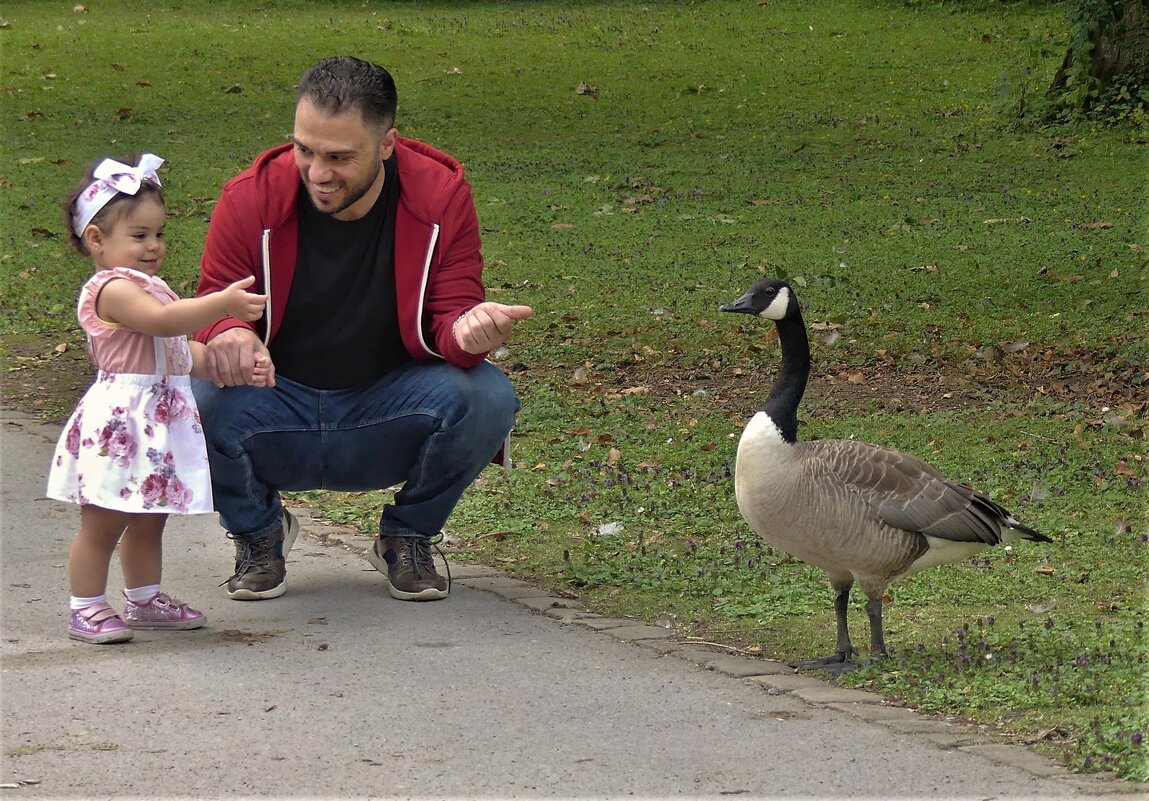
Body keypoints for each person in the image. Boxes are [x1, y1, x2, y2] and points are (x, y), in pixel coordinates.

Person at [192, 56, 532, 603]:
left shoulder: (441, 196)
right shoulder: (249, 197)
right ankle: (259, 534)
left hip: (389, 405)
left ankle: (408, 536)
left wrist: (470, 334)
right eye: (304, 149)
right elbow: (213, 305)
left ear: (388, 143)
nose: (317, 172)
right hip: (274, 401)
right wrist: (230, 331)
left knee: (487, 395)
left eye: (339, 156)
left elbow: (452, 316)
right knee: (195, 390)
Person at [48, 154, 271, 644]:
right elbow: (162, 324)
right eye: (140, 235)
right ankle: (84, 607)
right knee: (104, 523)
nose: (154, 246)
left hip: (155, 423)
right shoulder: (110, 290)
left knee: (150, 519)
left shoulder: (150, 289)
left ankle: (144, 599)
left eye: (158, 234)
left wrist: (229, 363)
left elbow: (176, 351)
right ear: (97, 240)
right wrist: (223, 304)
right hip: (122, 424)